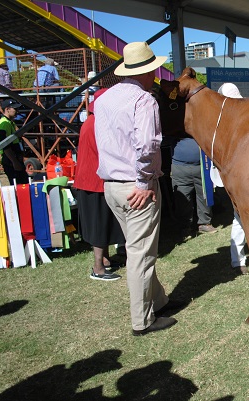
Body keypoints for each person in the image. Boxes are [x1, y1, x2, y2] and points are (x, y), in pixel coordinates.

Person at [94, 42, 176, 336]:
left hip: (112, 186)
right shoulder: (145, 101)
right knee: (141, 255)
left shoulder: (103, 100)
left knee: (137, 249)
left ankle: (159, 300)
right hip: (137, 185)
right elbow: (148, 145)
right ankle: (143, 321)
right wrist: (143, 182)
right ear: (149, 70)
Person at [73, 88, 125, 282]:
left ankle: (104, 260)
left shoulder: (91, 122)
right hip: (94, 182)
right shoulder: (97, 124)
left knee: (101, 222)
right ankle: (98, 268)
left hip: (91, 180)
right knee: (98, 225)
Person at [217, 83, 249, 274]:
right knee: (240, 217)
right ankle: (238, 259)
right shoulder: (221, 123)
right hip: (237, 176)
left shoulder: (241, 115)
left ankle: (246, 258)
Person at [171, 136, 217, 237]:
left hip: (202, 165)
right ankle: (185, 227)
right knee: (182, 198)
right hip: (180, 167)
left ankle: (205, 223)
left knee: (204, 194)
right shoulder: (175, 124)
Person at [0, 99, 28, 185]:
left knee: (23, 183)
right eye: (15, 109)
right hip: (10, 159)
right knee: (18, 185)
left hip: (14, 156)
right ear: (7, 109)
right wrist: (14, 162)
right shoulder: (4, 123)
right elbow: (5, 145)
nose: (17, 111)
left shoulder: (10, 122)